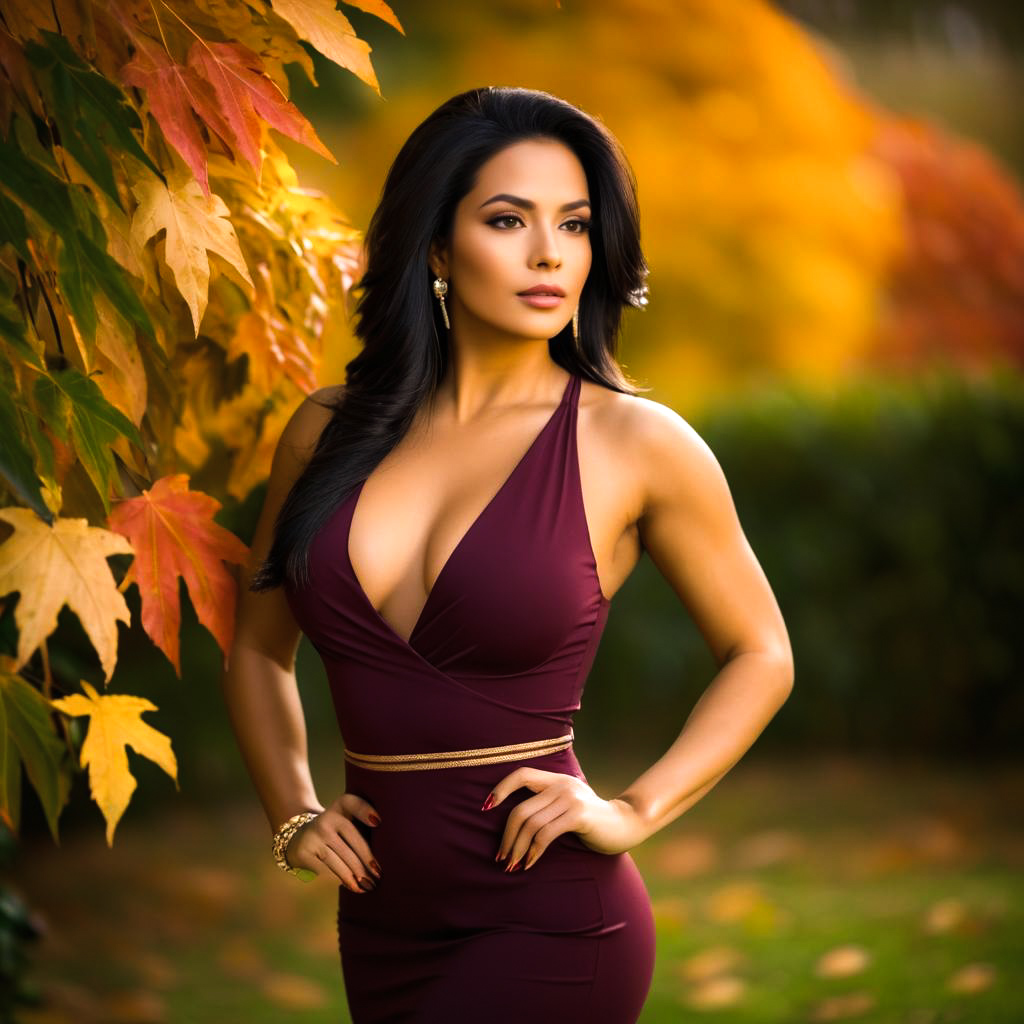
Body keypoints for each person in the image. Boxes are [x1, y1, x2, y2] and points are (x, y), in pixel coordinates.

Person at [222, 85, 794, 1024]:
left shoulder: (636, 443)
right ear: (437, 247)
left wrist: (634, 812)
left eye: (573, 225)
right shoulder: (324, 431)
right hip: (380, 922)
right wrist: (293, 814)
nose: (548, 254)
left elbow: (763, 653)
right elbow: (256, 648)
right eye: (507, 219)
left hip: (553, 919)